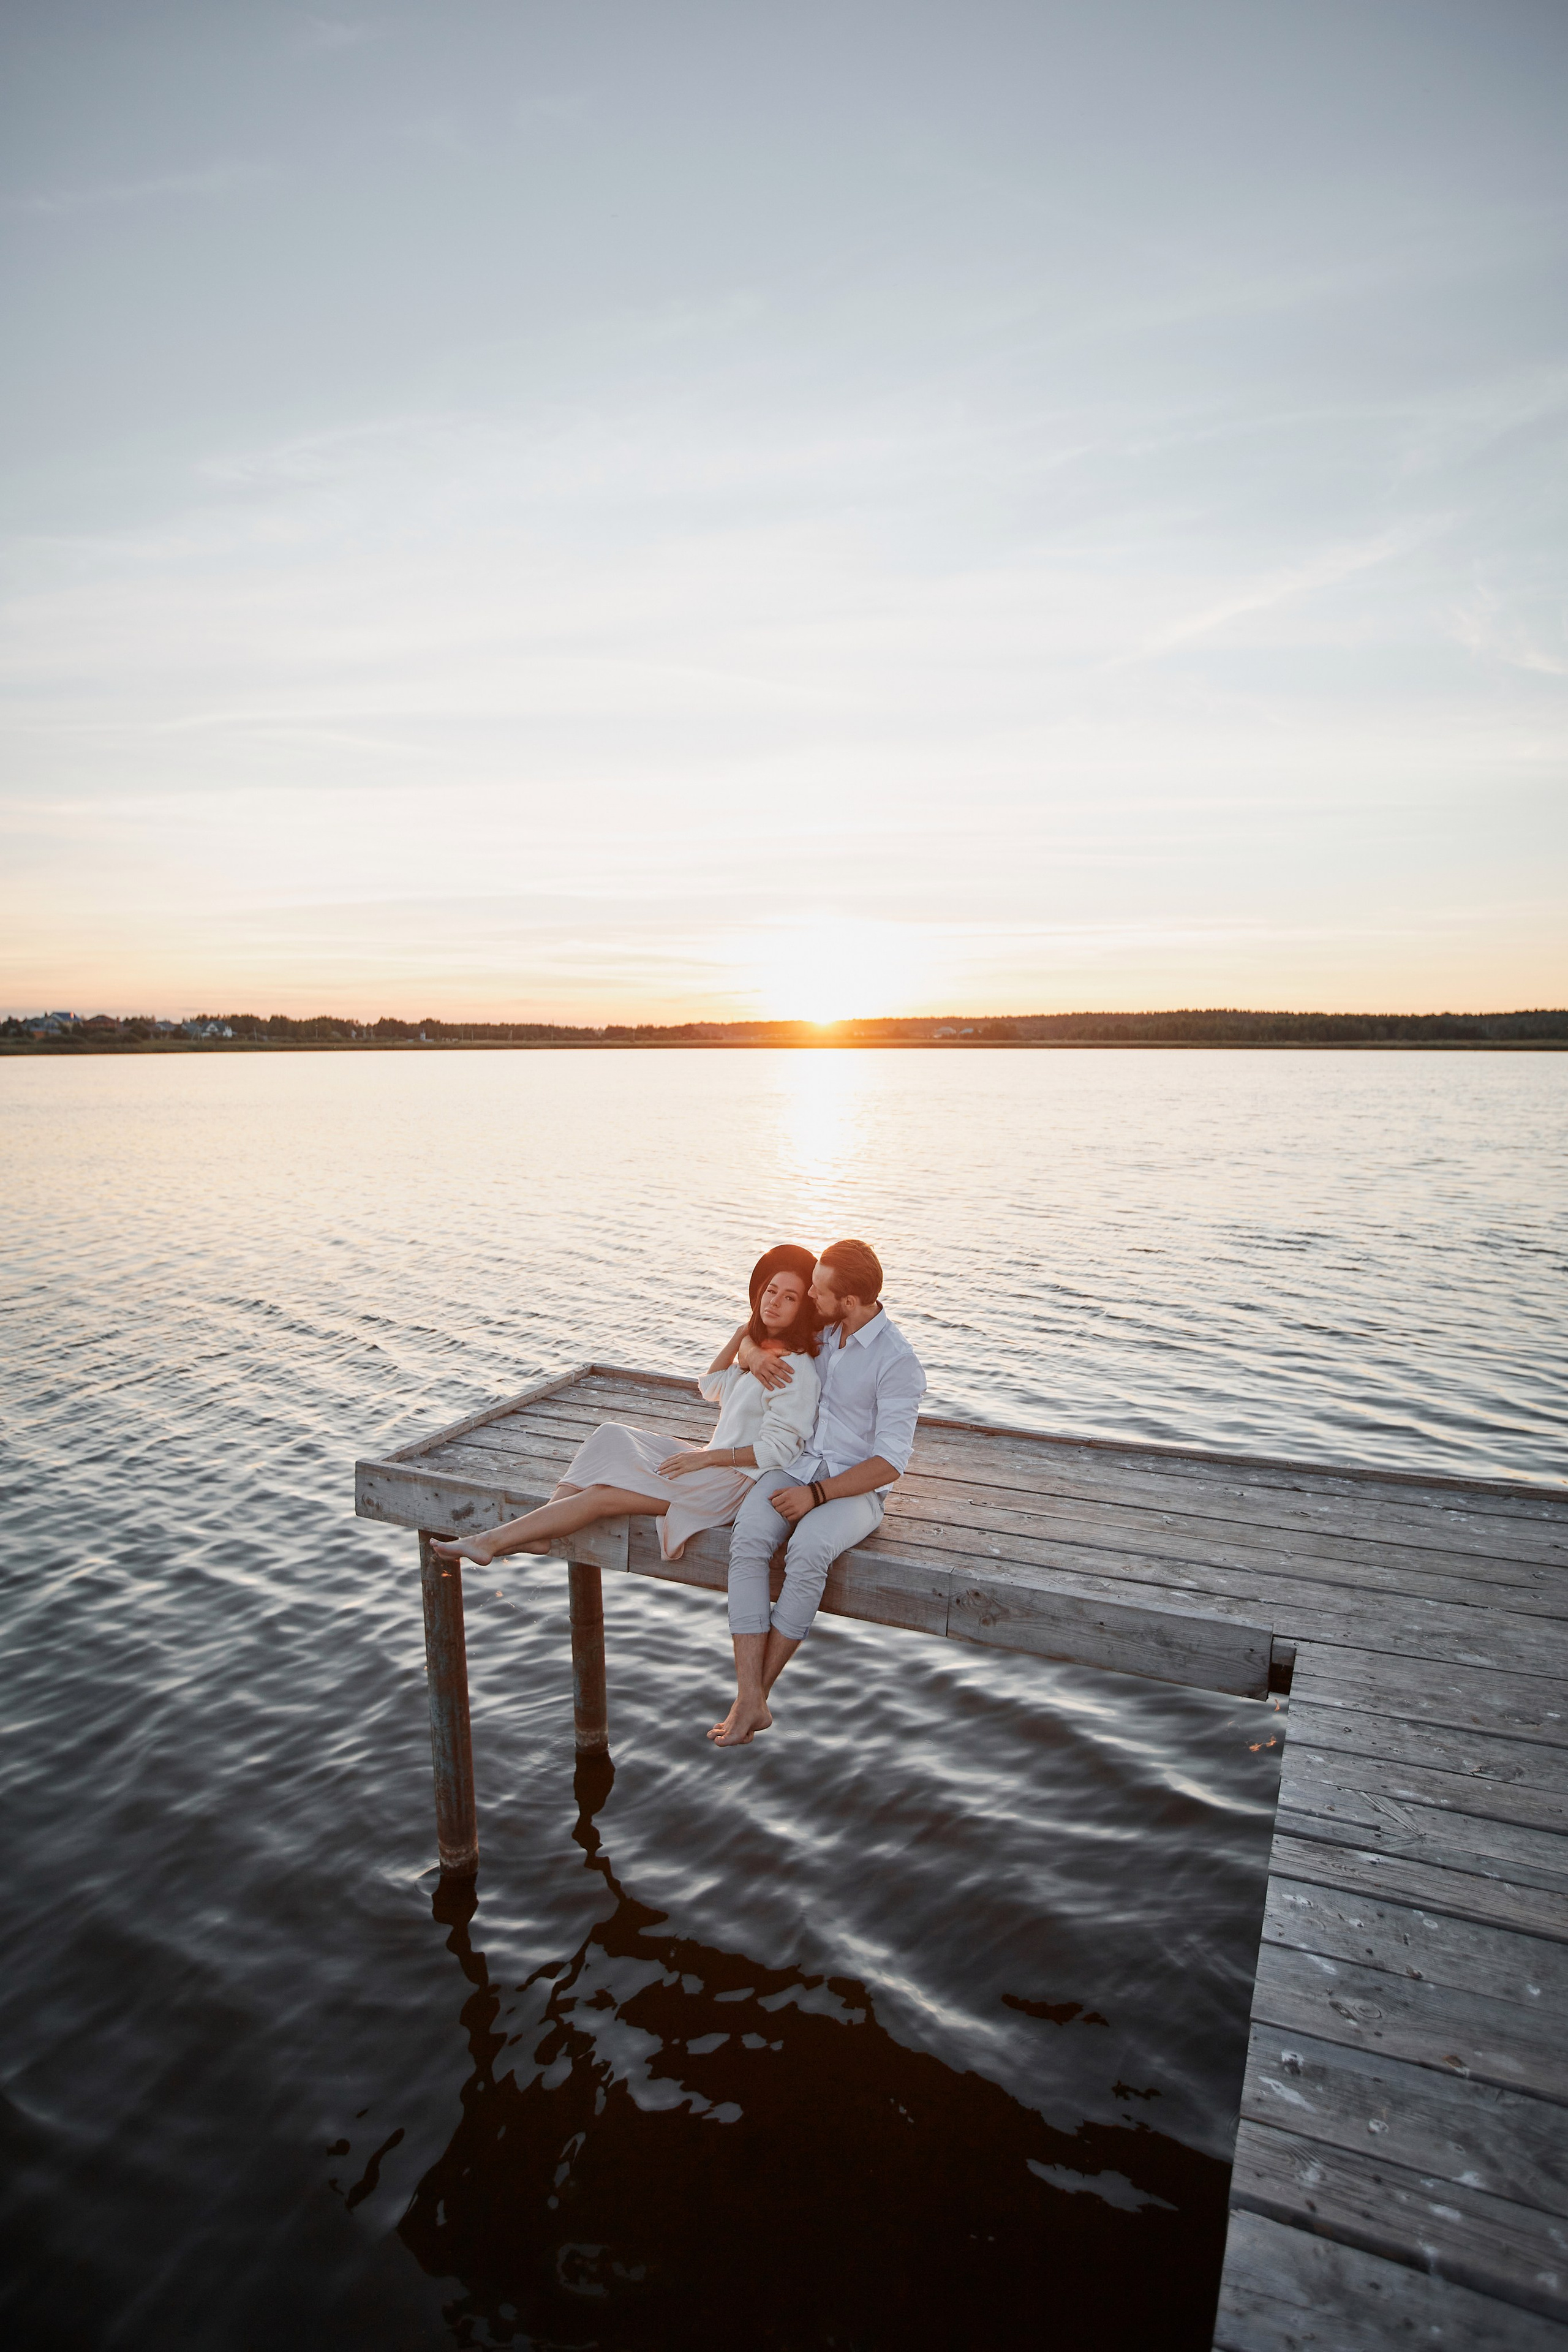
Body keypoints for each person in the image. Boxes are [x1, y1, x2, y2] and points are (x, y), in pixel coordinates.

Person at [429, 1247, 822, 1572]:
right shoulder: (760, 1354)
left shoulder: (793, 1368)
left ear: (802, 1308)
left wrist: (705, 1462)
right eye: (772, 1290)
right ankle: (544, 1526)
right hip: (710, 1464)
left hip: (731, 1484)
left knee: (604, 1495)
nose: (775, 1301)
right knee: (611, 1435)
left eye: (790, 1297)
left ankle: (489, 1542)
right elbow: (711, 1387)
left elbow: (779, 1451)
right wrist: (743, 1339)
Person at [709, 1238, 925, 1749]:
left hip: (855, 1488)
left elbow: (891, 1462)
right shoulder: (825, 1328)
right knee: (748, 1539)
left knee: (808, 1550)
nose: (808, 1294)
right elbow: (754, 1329)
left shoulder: (897, 1363)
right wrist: (750, 1352)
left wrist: (818, 1496)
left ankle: (755, 1696)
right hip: (797, 1465)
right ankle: (748, 1697)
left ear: (849, 1302)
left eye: (819, 1291)